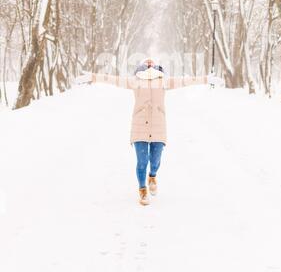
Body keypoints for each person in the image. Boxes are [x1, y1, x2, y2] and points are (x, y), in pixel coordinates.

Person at [75, 58, 223, 206]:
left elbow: (187, 81)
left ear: (158, 67)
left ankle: (152, 176)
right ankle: (142, 189)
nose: (149, 63)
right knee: (142, 161)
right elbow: (113, 80)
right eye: (146, 62)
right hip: (140, 126)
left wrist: (206, 79)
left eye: (152, 62)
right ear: (141, 67)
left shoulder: (163, 80)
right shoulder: (136, 81)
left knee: (155, 160)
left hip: (158, 126)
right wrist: (92, 77)